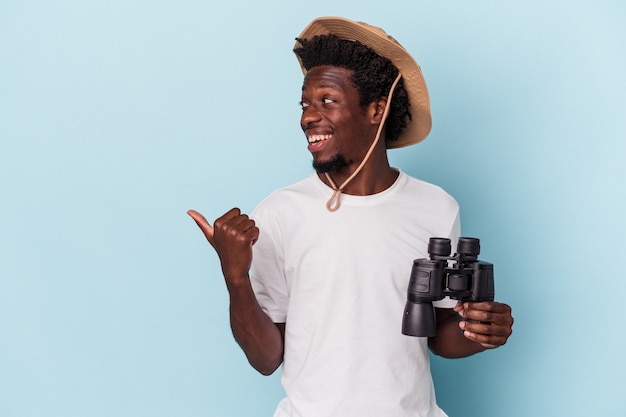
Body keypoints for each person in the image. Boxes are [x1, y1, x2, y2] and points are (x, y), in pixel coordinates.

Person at [188, 16, 513, 417]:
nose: (308, 116)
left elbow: (439, 335)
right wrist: (235, 276)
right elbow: (266, 358)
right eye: (305, 103)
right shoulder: (280, 212)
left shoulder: (436, 207)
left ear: (376, 110)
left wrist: (479, 330)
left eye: (327, 100)